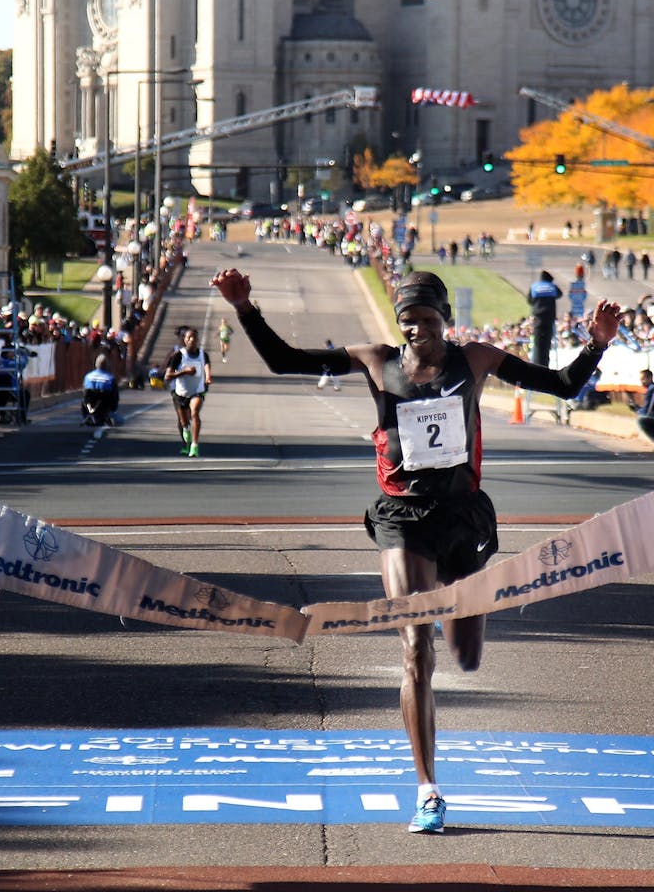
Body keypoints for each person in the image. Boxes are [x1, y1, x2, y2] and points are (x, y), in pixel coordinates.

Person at [211, 267, 621, 834]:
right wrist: (244, 307)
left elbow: (561, 385)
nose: (418, 330)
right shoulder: (375, 360)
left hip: (463, 516)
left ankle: (467, 619)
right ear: (398, 322)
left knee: (467, 653)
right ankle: (428, 789)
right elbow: (287, 361)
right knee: (416, 648)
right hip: (402, 515)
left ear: (445, 320)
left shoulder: (476, 360)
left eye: (428, 320)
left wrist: (595, 344)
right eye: (409, 321)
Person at [165, 326, 211, 457]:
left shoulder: (203, 354)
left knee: (195, 413)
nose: (191, 340)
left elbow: (207, 367)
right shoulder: (178, 355)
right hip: (180, 392)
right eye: (188, 338)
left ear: (197, 339)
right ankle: (185, 432)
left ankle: (194, 445)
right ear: (184, 340)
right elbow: (168, 376)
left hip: (197, 391)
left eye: (194, 338)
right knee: (183, 421)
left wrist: (208, 377)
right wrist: (185, 372)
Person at [527, 270, 562, 366]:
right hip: (549, 318)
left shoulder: (534, 287)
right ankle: (545, 363)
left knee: (538, 342)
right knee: (547, 342)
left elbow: (529, 300)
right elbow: (560, 294)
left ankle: (537, 363)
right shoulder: (552, 287)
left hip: (538, 318)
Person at [82, 353, 119, 426]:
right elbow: (115, 395)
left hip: (90, 403)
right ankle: (108, 414)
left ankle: (87, 414)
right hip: (104, 403)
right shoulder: (110, 378)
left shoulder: (88, 376)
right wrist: (114, 408)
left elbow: (85, 392)